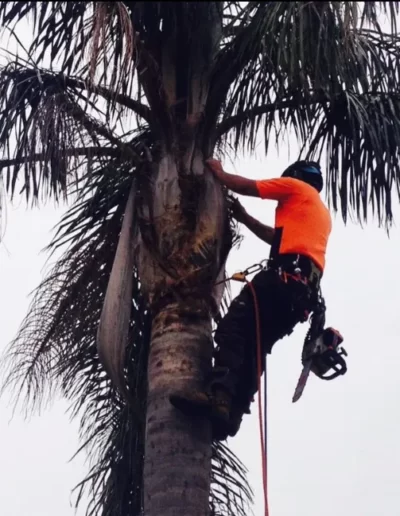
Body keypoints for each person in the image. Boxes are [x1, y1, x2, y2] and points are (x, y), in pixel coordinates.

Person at [170, 158, 332, 440]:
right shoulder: (318, 213)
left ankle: (218, 397)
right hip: (300, 300)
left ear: (294, 176)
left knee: (234, 328)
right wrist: (244, 218)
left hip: (280, 282)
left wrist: (220, 174)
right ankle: (232, 414)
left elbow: (250, 186)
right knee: (255, 349)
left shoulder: (294, 187)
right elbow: (276, 239)